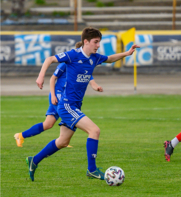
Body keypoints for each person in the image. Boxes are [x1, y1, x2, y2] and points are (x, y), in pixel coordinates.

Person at [26, 27, 139, 181]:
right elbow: (49, 59)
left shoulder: (94, 58)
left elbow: (110, 58)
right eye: (95, 42)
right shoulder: (73, 55)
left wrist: (126, 53)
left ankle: (34, 160)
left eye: (99, 42)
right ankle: (91, 169)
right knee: (95, 131)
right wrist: (40, 77)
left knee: (63, 142)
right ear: (86, 42)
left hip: (76, 106)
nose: (98, 45)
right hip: (67, 105)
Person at [14, 41, 84, 148]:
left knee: (48, 124)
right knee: (69, 113)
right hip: (58, 94)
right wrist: (54, 95)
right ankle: (63, 141)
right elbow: (53, 78)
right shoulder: (65, 64)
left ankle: (21, 135)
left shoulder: (81, 66)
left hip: (63, 95)